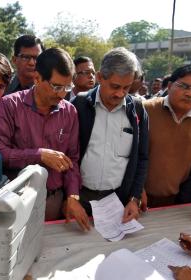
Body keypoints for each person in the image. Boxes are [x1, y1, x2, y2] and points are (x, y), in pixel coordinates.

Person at [0, 48, 89, 231]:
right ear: (37, 78)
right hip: (15, 199)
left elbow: (72, 159)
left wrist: (73, 196)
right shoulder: (10, 105)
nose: (62, 94)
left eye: (67, 87)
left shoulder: (69, 112)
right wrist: (39, 155)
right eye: (56, 86)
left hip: (53, 200)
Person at [71, 47, 148, 223]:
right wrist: (71, 197)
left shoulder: (136, 109)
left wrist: (134, 198)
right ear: (100, 77)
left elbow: (142, 158)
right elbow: (68, 156)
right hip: (81, 197)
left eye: (126, 87)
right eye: (115, 86)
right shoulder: (79, 105)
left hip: (118, 200)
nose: (120, 94)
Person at [143, 64, 191, 226]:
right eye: (184, 86)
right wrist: (135, 191)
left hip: (175, 201)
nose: (190, 93)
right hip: (134, 199)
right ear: (170, 86)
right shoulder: (146, 109)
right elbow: (128, 156)